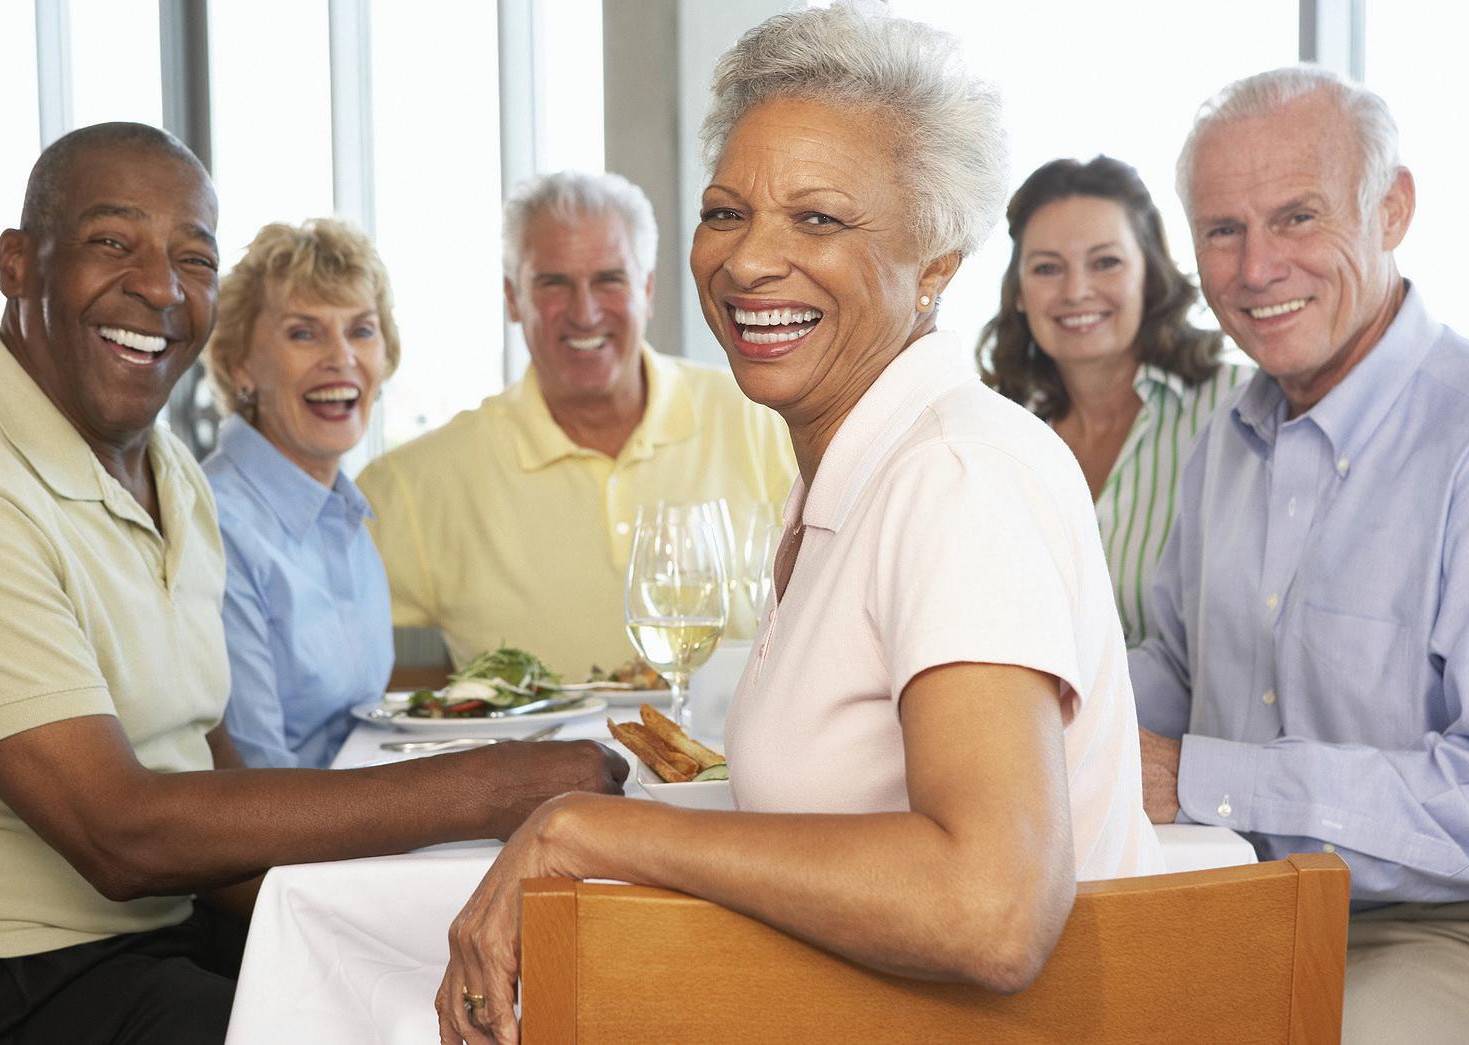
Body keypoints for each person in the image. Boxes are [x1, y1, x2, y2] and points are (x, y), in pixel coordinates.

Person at [435, 7, 1161, 1041]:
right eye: (725, 212)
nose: (746, 262)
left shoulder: (955, 477)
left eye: (817, 220)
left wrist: (583, 829)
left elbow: (990, 908)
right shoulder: (858, 465)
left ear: (938, 263)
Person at [0, 123, 626, 1045]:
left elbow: (220, 784)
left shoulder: (167, 473)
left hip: (160, 931)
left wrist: (413, 909)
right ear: (17, 265)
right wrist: (488, 788)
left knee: (487, 996)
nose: (159, 286)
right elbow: (121, 834)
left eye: (193, 258)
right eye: (113, 241)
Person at [1131, 66, 1469, 1042]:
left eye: (1296, 218)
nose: (1255, 269)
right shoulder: (1224, 442)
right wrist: (1028, 704)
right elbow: (1175, 666)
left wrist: (1200, 779)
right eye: (1221, 231)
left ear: (1391, 208)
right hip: (1222, 899)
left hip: (1425, 928)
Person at [356, 170, 796, 684]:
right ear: (512, 298)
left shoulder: (767, 421)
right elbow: (333, 667)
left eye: (609, 279)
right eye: (553, 283)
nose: (584, 313)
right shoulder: (414, 485)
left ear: (647, 289)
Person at [977, 157, 1252, 645]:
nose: (1076, 291)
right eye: (1047, 268)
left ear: (1150, 273)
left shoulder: (1237, 410)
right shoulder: (993, 435)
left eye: (1106, 262)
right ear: (1019, 291)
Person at [200, 218, 397, 768]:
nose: (342, 357)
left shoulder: (346, 518)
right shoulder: (217, 527)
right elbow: (257, 778)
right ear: (241, 365)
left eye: (361, 330)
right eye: (303, 334)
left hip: (358, 811)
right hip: (289, 824)